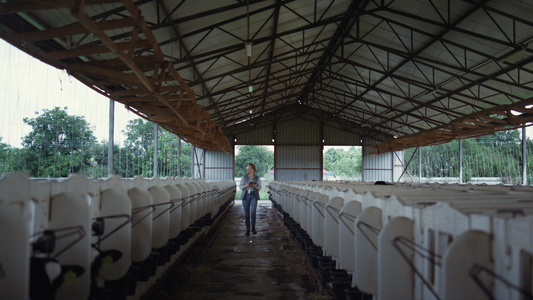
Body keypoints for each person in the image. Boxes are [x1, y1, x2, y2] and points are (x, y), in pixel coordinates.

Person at [239, 163, 262, 235]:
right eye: (247, 168)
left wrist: (255, 186)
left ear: (253, 169)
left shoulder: (257, 178)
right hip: (246, 195)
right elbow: (240, 186)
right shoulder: (244, 177)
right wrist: (246, 186)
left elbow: (260, 187)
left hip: (253, 195)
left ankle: (253, 228)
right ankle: (247, 229)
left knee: (253, 212)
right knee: (246, 213)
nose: (247, 170)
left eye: (249, 168)